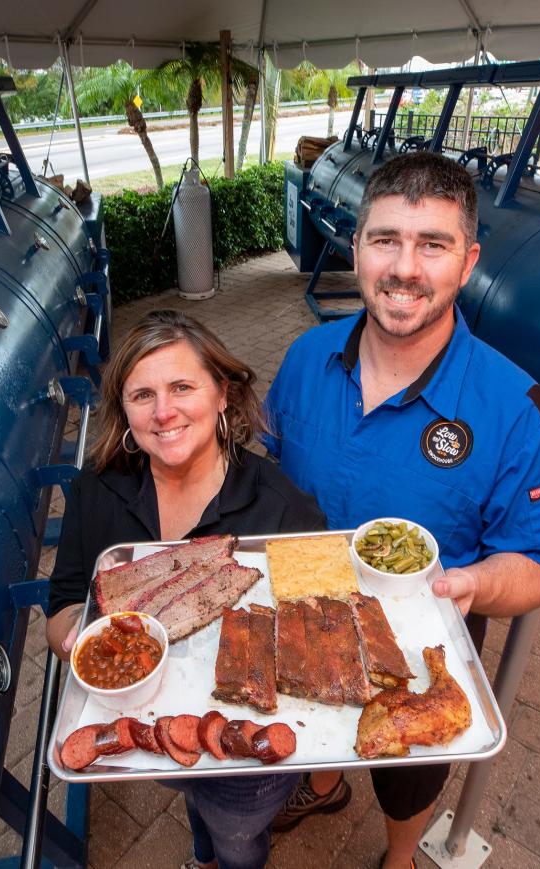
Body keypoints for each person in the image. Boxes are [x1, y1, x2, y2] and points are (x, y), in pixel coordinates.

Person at [263, 150, 540, 868]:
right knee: (317, 723)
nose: (405, 268)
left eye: (431, 244)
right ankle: (320, 782)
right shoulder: (305, 358)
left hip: (422, 647)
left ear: (466, 263)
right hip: (310, 616)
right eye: (386, 240)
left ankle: (400, 856)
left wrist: (478, 586)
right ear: (356, 248)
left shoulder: (515, 410)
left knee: (407, 775)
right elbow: (267, 474)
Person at [46, 309, 326, 869]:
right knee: (195, 805)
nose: (164, 411)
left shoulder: (282, 506)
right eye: (142, 394)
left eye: (181, 387)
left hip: (247, 742)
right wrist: (97, 643)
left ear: (222, 394)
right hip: (147, 728)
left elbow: (316, 630)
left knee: (237, 833)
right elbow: (63, 606)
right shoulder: (95, 493)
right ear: (123, 409)